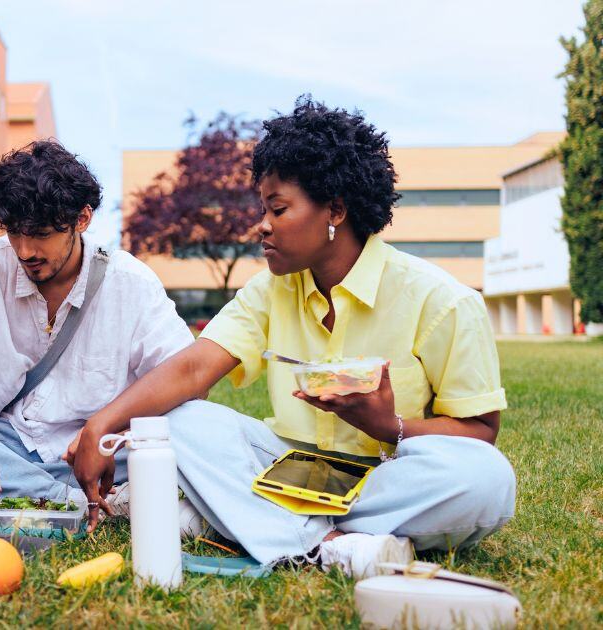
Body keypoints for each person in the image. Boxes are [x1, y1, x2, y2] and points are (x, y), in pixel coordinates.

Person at [68, 97, 517, 578]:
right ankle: (324, 544)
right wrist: (102, 424)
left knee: (487, 479)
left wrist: (389, 426)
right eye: (263, 208)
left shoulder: (442, 301)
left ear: (336, 211)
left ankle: (237, 521)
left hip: (386, 475)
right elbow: (195, 368)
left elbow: (479, 434)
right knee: (179, 419)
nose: (261, 225)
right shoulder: (269, 289)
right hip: (285, 470)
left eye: (277, 209)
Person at [0, 140, 195, 513]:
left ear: (82, 219)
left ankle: (17, 491)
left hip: (105, 452)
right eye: (14, 232)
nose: (25, 251)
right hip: (7, 444)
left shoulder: (131, 283)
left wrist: (110, 437)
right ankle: (73, 500)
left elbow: (184, 378)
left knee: (189, 428)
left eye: (41, 234)